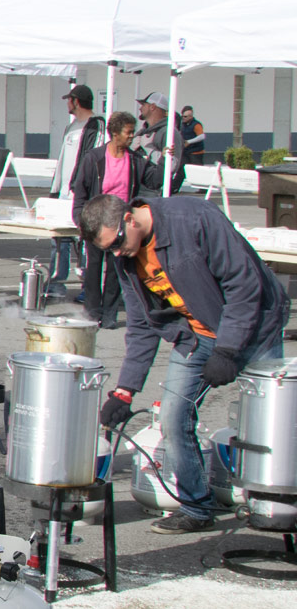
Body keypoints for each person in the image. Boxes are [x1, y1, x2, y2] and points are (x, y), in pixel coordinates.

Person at [79, 193, 289, 534]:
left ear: (130, 218)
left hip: (254, 327)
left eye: (117, 242)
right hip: (198, 335)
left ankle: (277, 503)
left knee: (272, 425)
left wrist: (229, 350)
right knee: (174, 417)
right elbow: (141, 323)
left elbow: (243, 283)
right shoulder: (127, 257)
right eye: (108, 250)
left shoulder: (194, 219)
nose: (116, 253)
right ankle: (196, 506)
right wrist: (125, 390)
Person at [71, 111, 161, 329]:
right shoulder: (95, 158)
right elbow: (80, 189)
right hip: (97, 219)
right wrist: (80, 218)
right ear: (115, 133)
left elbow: (154, 180)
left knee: (115, 270)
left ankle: (110, 314)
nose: (132, 136)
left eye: (132, 132)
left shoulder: (135, 160)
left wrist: (168, 159)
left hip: (121, 223)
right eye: (128, 132)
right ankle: (92, 313)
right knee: (93, 268)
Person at [47, 84, 105, 298]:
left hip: (82, 195)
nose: (67, 104)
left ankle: (87, 288)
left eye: (69, 100)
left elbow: (92, 158)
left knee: (83, 243)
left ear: (76, 101)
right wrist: (56, 189)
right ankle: (56, 284)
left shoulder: (96, 125)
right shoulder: (71, 127)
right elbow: (63, 160)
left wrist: (80, 187)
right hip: (64, 194)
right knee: (59, 241)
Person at [132, 91, 185, 196]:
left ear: (152, 107)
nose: (140, 108)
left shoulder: (169, 133)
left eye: (143, 105)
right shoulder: (143, 132)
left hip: (154, 193)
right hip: (139, 189)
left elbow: (172, 165)